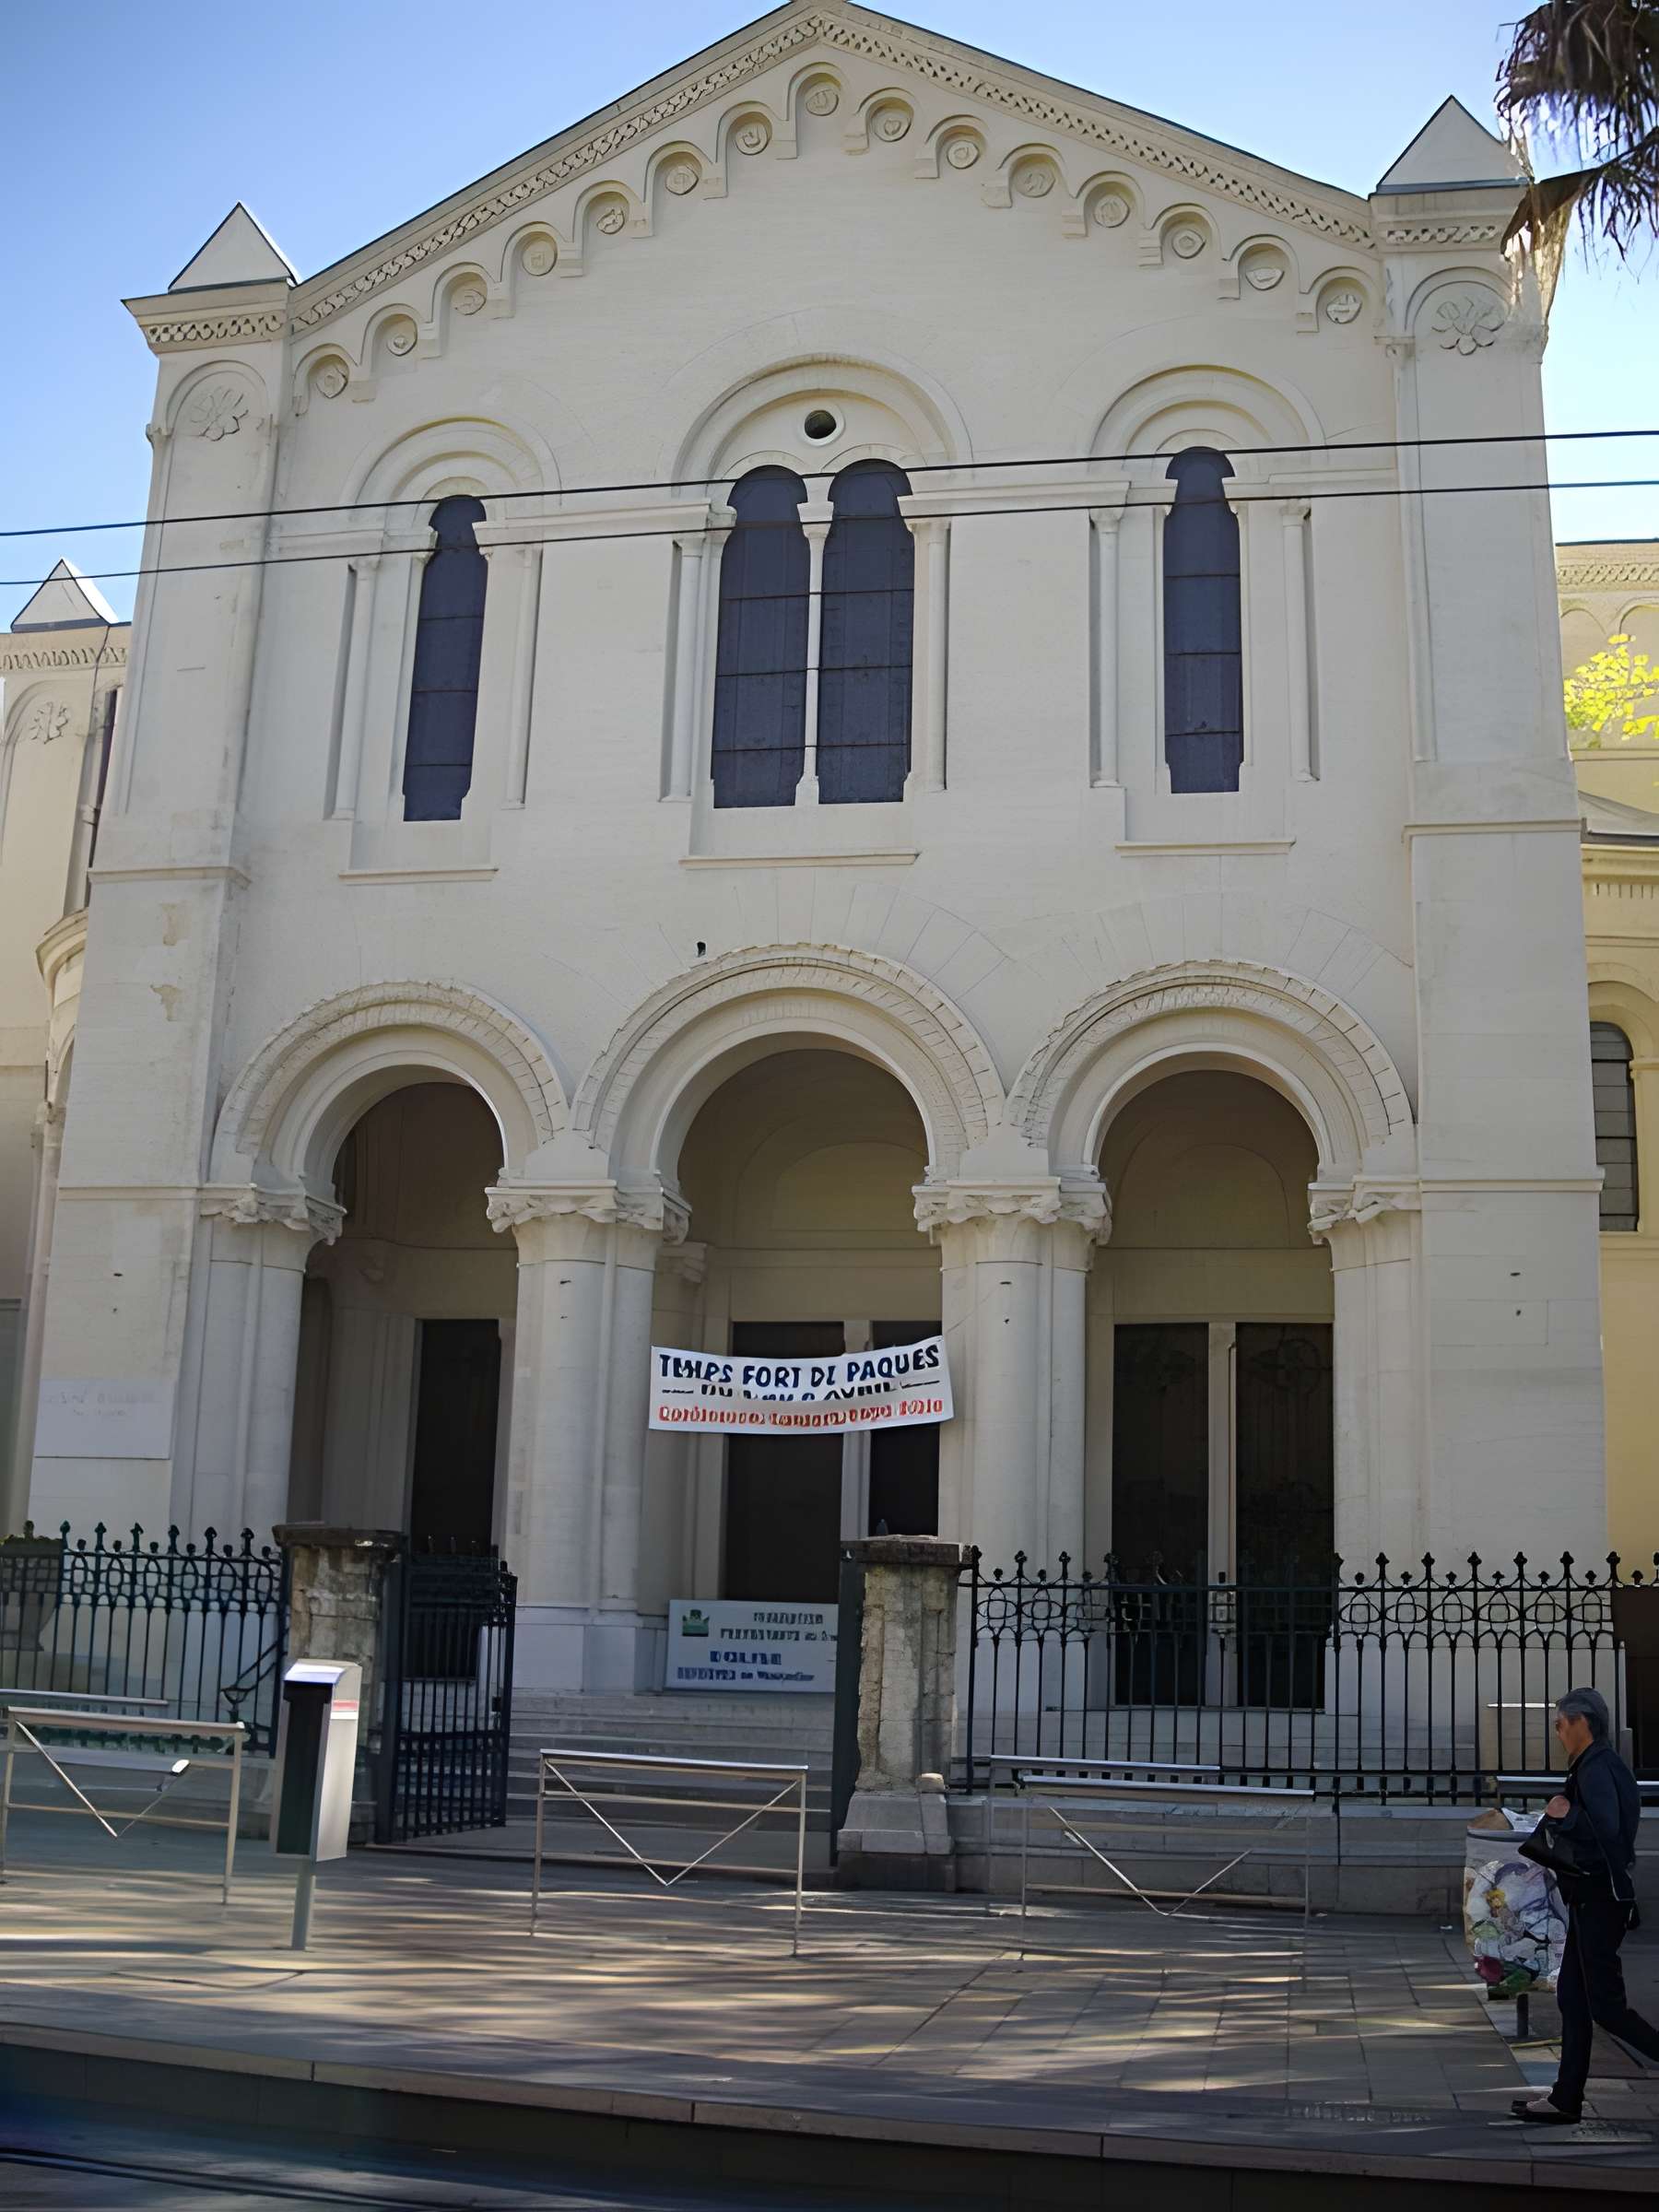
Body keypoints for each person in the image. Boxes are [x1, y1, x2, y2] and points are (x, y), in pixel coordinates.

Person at [1512, 1687, 1659, 2124]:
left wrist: (1563, 1814)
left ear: (1581, 1723)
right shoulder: (1599, 1765)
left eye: (1559, 1724)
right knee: (1573, 1999)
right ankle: (1564, 2099)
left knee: (1605, 2007)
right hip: (1593, 1897)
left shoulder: (1596, 1768)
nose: (1557, 1732)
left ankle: (1566, 2097)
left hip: (1599, 1898)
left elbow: (1609, 1831)